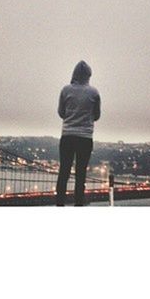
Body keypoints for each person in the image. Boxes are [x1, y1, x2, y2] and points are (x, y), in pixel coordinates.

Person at [55, 60, 101, 206]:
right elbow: (97, 116)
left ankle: (60, 204)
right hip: (85, 138)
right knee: (81, 175)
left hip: (67, 136)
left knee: (64, 173)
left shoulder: (65, 90)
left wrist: (72, 115)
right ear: (89, 75)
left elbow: (61, 113)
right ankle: (78, 205)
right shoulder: (94, 92)